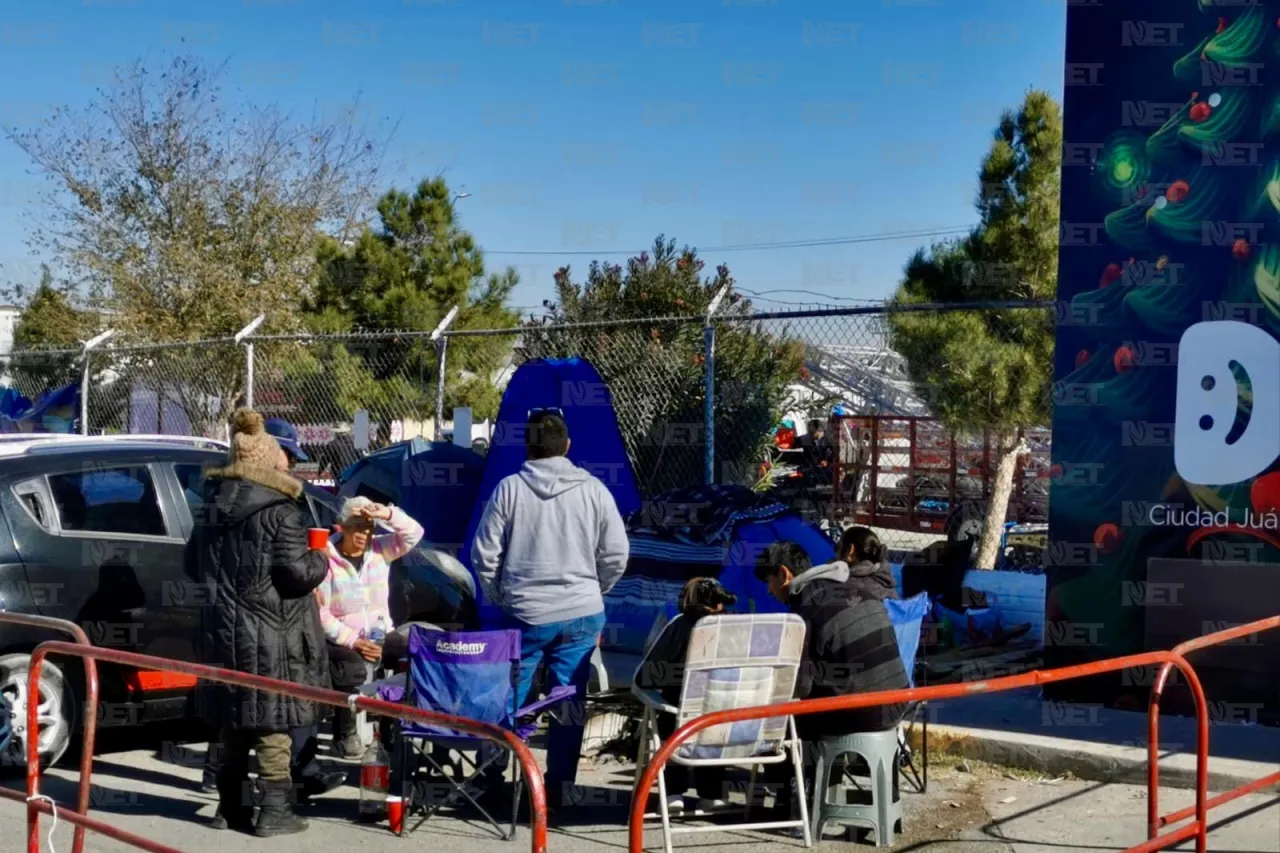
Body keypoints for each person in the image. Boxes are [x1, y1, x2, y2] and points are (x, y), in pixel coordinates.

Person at [471, 408, 629, 809]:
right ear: (568, 446)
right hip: (581, 611)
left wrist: (501, 594)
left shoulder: (509, 489)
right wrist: (595, 589)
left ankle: (492, 778)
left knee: (508, 697)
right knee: (568, 699)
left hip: (524, 614)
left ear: (527, 447)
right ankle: (557, 786)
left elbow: (483, 554)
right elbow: (616, 554)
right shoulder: (593, 489)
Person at [189, 408, 329, 836]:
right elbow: (294, 576)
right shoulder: (281, 513)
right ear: (269, 462)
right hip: (272, 633)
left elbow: (191, 564)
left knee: (235, 720)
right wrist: (320, 559)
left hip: (223, 632)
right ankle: (273, 811)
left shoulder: (211, 505)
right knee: (272, 724)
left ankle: (231, 806)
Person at [753, 540, 910, 820]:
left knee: (778, 719)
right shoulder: (856, 589)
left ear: (784, 574)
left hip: (863, 711)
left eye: (769, 581)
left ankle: (793, 805)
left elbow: (801, 687)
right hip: (898, 703)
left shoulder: (805, 609)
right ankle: (829, 791)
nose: (769, 590)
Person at [315, 495, 424, 757]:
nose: (363, 534)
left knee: (418, 653)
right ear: (342, 527)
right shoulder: (325, 558)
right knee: (351, 667)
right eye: (357, 527)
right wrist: (355, 641)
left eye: (368, 527)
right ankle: (345, 735)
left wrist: (386, 513)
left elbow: (415, 533)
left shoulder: (380, 549)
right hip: (342, 637)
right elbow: (322, 614)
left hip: (379, 631)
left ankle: (393, 730)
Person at [633, 577, 736, 811]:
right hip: (729, 723)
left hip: (683, 719)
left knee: (670, 713)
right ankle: (713, 794)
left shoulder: (682, 626)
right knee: (713, 715)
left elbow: (646, 677)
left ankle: (673, 793)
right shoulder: (738, 627)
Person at [834, 526, 898, 602]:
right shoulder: (887, 584)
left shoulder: (842, 588)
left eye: (838, 547)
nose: (835, 552)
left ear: (850, 552)